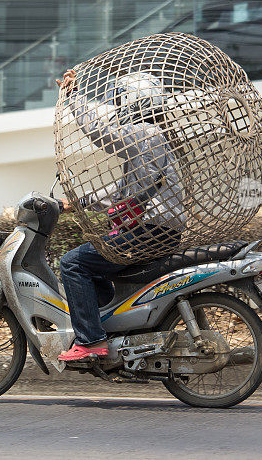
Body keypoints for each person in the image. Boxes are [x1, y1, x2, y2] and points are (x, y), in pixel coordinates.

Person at [55, 68, 186, 362]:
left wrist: (73, 97)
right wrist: (81, 201)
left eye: (119, 101)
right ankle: (103, 320)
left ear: (132, 101)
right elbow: (125, 192)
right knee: (91, 261)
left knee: (73, 263)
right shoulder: (156, 137)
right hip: (158, 229)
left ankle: (90, 340)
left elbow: (101, 133)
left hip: (149, 230)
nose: (117, 108)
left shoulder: (144, 133)